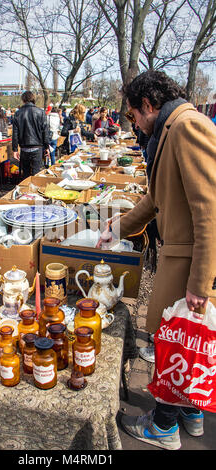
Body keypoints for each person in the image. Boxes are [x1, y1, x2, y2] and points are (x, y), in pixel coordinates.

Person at [97, 70, 216, 450]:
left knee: (174, 341)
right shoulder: (170, 129)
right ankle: (190, 414)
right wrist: (117, 227)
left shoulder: (185, 127)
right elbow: (156, 198)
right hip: (182, 253)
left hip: (188, 258)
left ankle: (164, 426)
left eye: (134, 116)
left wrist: (200, 283)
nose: (135, 125)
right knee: (187, 342)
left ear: (148, 105)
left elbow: (209, 209)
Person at [12, 91, 50, 178]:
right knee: (36, 175)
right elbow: (45, 131)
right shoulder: (40, 112)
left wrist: (15, 149)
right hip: (37, 147)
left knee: (25, 175)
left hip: (25, 147)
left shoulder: (18, 113)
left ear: (23, 100)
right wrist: (47, 146)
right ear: (33, 99)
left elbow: (15, 133)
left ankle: (26, 190)